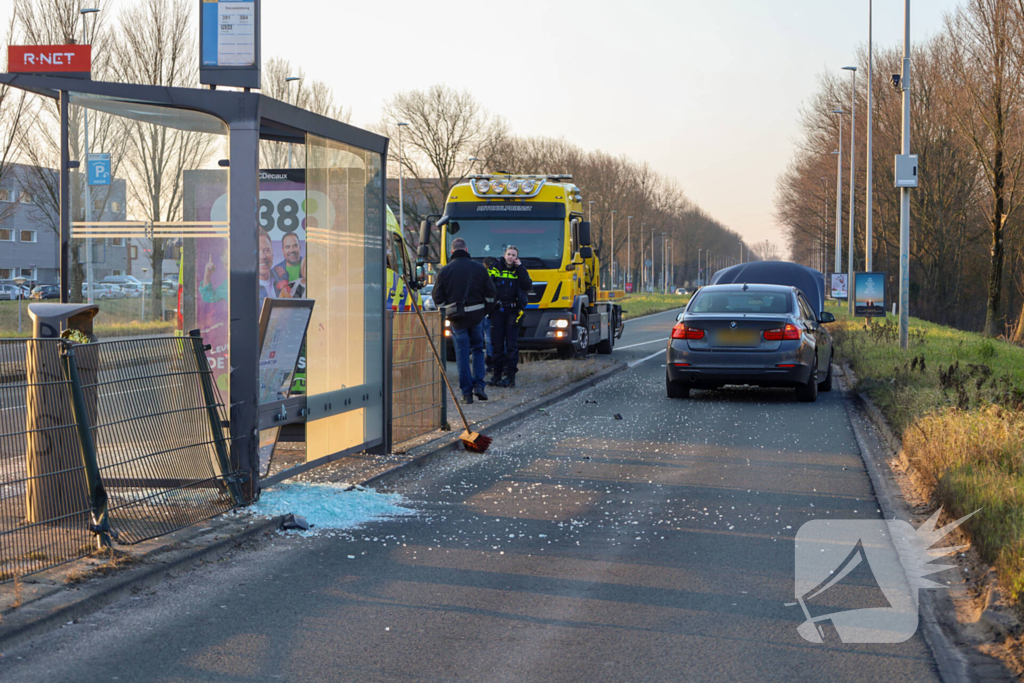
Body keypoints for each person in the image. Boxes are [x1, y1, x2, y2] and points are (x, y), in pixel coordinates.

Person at [432, 237, 496, 404]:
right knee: (477, 350)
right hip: (476, 317)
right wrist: (484, 311)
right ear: (466, 250)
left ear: (452, 252)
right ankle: (480, 386)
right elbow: (491, 293)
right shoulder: (479, 269)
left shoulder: (445, 271)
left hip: (456, 320)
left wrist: (447, 311)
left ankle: (466, 393)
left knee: (462, 355)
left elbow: (437, 297)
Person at [487, 245, 532, 388]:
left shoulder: (519, 270)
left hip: (513, 312)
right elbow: (487, 284)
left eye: (514, 255)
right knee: (497, 344)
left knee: (511, 345)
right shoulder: (495, 267)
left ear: (516, 257)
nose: (511, 257)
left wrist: (521, 268)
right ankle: (496, 376)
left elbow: (526, 285)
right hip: (498, 311)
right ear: (504, 255)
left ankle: (510, 377)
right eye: (509, 254)